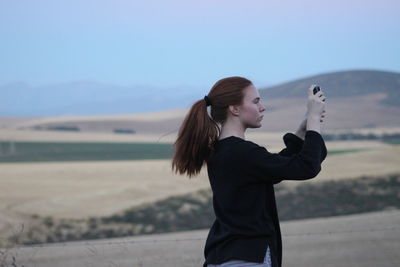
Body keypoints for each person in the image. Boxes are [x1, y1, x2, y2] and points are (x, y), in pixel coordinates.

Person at [171, 76, 327, 267]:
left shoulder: (223, 150)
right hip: (247, 259)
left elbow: (275, 168)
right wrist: (313, 121)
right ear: (234, 108)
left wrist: (302, 131)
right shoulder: (243, 153)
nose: (262, 107)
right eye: (255, 101)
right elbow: (306, 167)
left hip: (224, 257)